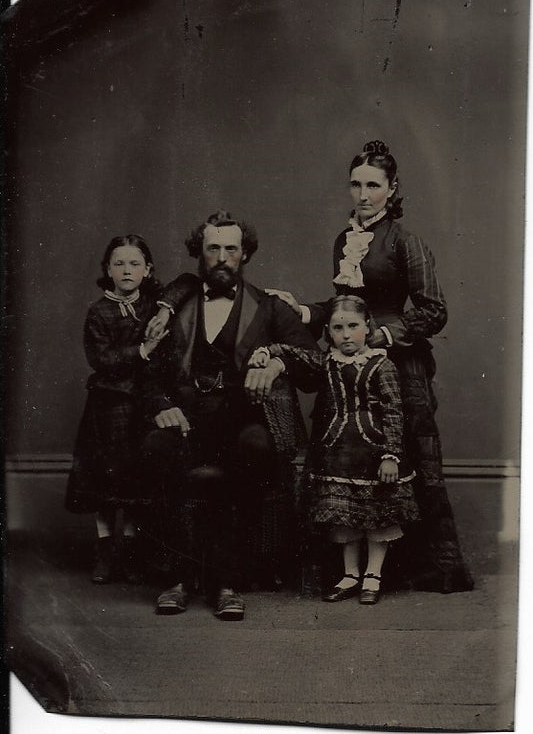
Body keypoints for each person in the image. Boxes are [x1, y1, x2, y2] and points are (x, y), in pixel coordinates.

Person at [266, 140, 474, 594]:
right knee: (352, 457)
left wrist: (382, 337)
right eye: (356, 184)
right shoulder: (345, 241)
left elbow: (434, 310)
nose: (363, 194)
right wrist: (302, 310)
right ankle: (353, 570)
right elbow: (346, 307)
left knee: (409, 457)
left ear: (392, 188)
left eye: (373, 185)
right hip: (347, 368)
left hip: (400, 367)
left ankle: (429, 568)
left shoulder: (405, 242)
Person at [139, 210, 320, 620]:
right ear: (199, 254)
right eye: (213, 248)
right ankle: (177, 579)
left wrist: (277, 362)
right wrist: (164, 407)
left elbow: (314, 362)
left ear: (246, 254)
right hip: (186, 415)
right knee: (155, 446)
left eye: (231, 249)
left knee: (254, 447)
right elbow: (147, 373)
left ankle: (227, 582)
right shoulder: (175, 304)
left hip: (242, 416)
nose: (222, 257)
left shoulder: (270, 307)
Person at [249, 295, 419, 605]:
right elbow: (294, 353)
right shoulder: (328, 361)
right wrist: (266, 352)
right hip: (338, 453)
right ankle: (350, 573)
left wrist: (391, 454)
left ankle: (373, 575)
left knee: (376, 516)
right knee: (344, 516)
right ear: (329, 332)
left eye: (353, 326)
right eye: (338, 328)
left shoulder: (383, 364)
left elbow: (395, 411)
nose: (346, 334)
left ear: (368, 328)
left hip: (374, 452)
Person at [65, 234, 167, 584]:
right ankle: (106, 550)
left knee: (137, 479)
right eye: (119, 263)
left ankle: (133, 550)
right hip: (109, 406)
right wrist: (142, 350)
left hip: (142, 405)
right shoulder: (99, 311)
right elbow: (101, 359)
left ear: (147, 269)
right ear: (107, 270)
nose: (127, 270)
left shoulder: (155, 306)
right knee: (108, 480)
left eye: (135, 263)